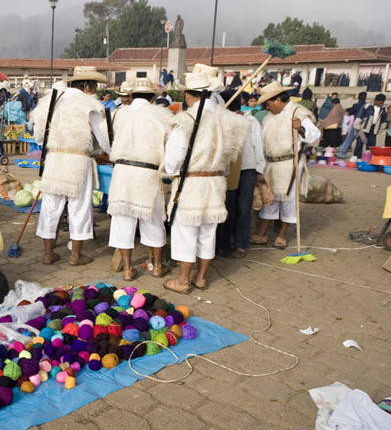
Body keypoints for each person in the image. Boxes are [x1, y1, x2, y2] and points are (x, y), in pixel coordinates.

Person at [162, 68, 249, 294]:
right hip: (216, 182)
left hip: (192, 183)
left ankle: (183, 280)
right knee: (207, 233)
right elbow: (231, 157)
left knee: (186, 232)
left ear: (190, 95)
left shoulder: (186, 120)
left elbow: (172, 162)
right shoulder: (229, 121)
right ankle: (200, 278)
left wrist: (172, 171)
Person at [32, 66, 111, 266]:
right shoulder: (89, 104)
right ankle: (76, 256)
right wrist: (112, 153)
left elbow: (38, 137)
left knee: (50, 206)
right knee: (79, 208)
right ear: (86, 86)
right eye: (94, 87)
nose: (95, 92)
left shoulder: (52, 99)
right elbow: (104, 139)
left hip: (54, 159)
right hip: (78, 160)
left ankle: (48, 254)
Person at [108, 78, 173, 280]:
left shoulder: (117, 113)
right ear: (153, 97)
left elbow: (106, 140)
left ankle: (127, 270)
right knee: (153, 219)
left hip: (122, 171)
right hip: (148, 172)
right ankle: (158, 266)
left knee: (122, 220)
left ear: (132, 96)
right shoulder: (162, 115)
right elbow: (169, 144)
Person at [252, 81, 321, 248]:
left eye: (268, 103)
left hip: (290, 163)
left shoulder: (298, 113)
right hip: (271, 163)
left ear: (277, 100)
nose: (267, 107)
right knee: (270, 198)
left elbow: (314, 135)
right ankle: (262, 235)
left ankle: (282, 235)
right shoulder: (269, 117)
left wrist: (301, 129)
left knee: (288, 201)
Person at [216, 89, 266, 259]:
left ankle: (241, 243)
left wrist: (259, 170)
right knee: (228, 208)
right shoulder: (219, 122)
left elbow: (258, 146)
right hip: (227, 171)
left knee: (244, 208)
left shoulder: (250, 122)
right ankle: (224, 243)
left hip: (247, 170)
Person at [353, 93, 387, 159]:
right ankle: (356, 157)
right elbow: (359, 116)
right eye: (380, 103)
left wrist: (380, 130)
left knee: (371, 145)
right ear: (376, 101)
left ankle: (368, 158)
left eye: (382, 103)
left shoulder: (384, 109)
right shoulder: (367, 106)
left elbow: (383, 121)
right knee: (360, 143)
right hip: (363, 128)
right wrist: (357, 127)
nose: (381, 104)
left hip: (374, 129)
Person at [337, 91, 368, 158]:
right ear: (365, 98)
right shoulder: (367, 106)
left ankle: (341, 153)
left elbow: (349, 112)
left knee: (349, 139)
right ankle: (358, 155)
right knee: (361, 141)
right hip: (362, 126)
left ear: (358, 98)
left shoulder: (356, 105)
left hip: (355, 125)